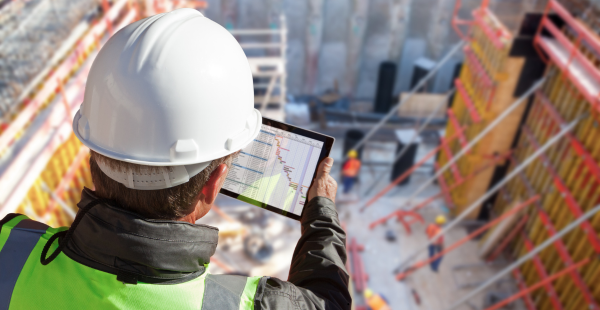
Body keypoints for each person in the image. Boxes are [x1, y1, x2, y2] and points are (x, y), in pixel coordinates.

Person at [0, 9, 351, 310]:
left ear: (94, 151)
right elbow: (327, 301)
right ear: (212, 185)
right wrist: (321, 215)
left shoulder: (9, 246)